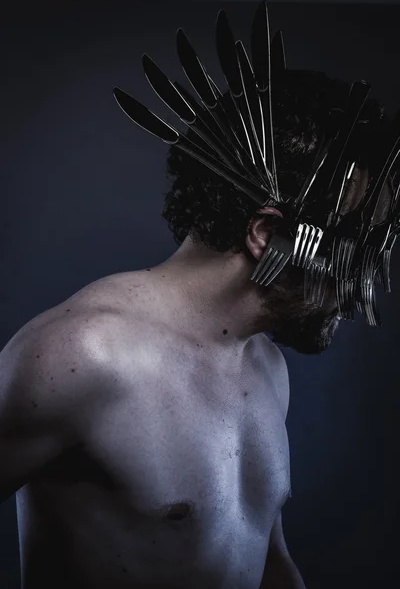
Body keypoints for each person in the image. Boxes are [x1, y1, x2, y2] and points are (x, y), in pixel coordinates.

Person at [0, 69, 393, 589]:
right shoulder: (79, 356)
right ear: (268, 235)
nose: (355, 290)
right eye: (349, 257)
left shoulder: (266, 366)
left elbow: (264, 560)